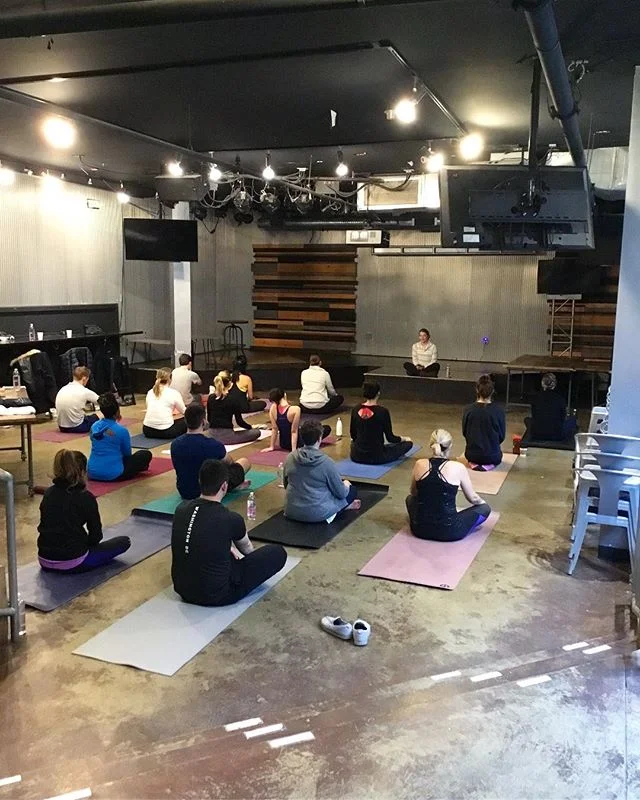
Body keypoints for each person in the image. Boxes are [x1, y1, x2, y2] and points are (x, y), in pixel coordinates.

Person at [171, 459, 287, 606]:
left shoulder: (181, 509)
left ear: (200, 481)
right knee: (277, 553)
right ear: (224, 486)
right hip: (217, 595)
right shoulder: (230, 518)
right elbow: (247, 551)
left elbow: (198, 535)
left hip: (182, 589)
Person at [38, 449, 131, 572]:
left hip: (44, 559)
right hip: (73, 562)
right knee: (124, 541)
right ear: (83, 472)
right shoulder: (86, 497)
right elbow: (96, 535)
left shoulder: (49, 493)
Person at [406, 429, 491, 541]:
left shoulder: (419, 464)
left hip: (420, 529)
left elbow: (413, 493)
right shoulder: (458, 467)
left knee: (409, 499)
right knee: (485, 509)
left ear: (431, 445)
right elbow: (473, 498)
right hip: (450, 531)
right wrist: (482, 504)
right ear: (450, 446)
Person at [284, 419, 361, 523]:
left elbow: (286, 485)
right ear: (320, 438)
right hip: (316, 514)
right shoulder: (326, 462)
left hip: (291, 510)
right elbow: (341, 493)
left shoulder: (290, 457)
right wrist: (346, 485)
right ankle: (342, 508)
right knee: (351, 490)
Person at [171, 402, 250, 500]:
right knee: (244, 462)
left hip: (185, 491)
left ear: (185, 421)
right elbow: (230, 463)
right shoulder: (213, 444)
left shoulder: (175, 444)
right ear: (203, 422)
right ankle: (234, 485)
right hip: (209, 491)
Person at [88, 392, 152, 481]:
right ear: (117, 410)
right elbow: (127, 454)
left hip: (92, 472)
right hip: (114, 474)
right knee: (145, 454)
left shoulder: (94, 426)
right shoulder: (121, 430)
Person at [350, 382, 413, 465]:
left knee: (355, 443)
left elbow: (353, 435)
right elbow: (390, 438)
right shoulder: (383, 412)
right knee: (408, 444)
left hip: (356, 456)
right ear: (378, 393)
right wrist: (404, 438)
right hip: (376, 457)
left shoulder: (355, 409)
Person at [264, 388, 330, 452]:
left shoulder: (273, 408)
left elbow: (274, 428)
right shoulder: (296, 409)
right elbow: (294, 431)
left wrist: (271, 446)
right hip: (299, 443)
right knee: (326, 428)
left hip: (283, 444)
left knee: (301, 428)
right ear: (284, 395)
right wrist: (294, 450)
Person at [461, 375, 505, 469]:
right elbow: (501, 436)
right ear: (492, 391)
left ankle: (476, 464)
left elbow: (465, 432)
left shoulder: (468, 410)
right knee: (496, 456)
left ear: (477, 390)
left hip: (471, 455)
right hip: (492, 456)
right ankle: (487, 465)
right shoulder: (499, 411)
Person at [206, 373, 260, 445]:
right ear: (229, 384)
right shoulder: (233, 399)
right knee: (256, 432)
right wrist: (250, 427)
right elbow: (239, 422)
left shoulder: (211, 398)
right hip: (227, 435)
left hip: (211, 434)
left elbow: (209, 419)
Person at [524, 372, 578, 442]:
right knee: (573, 420)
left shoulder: (535, 398)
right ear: (554, 384)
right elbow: (562, 417)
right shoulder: (560, 399)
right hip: (557, 435)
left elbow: (534, 415)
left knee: (527, 420)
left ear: (542, 384)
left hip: (537, 433)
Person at [142, 367, 187, 440]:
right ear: (170, 379)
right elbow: (184, 412)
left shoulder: (150, 392)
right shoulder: (174, 393)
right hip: (166, 432)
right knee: (187, 421)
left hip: (147, 430)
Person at [55, 366, 100, 433]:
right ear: (84, 378)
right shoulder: (84, 391)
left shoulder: (63, 389)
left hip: (62, 427)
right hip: (78, 427)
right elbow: (102, 402)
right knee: (98, 416)